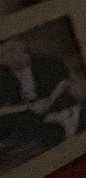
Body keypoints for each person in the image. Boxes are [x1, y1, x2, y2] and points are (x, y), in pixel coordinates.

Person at [0, 37, 78, 165]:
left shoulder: (46, 62)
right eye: (2, 55)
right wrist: (28, 107)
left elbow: (63, 83)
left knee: (63, 109)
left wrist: (48, 101)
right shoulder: (3, 77)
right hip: (27, 113)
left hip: (54, 104)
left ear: (22, 45)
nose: (10, 57)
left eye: (12, 49)